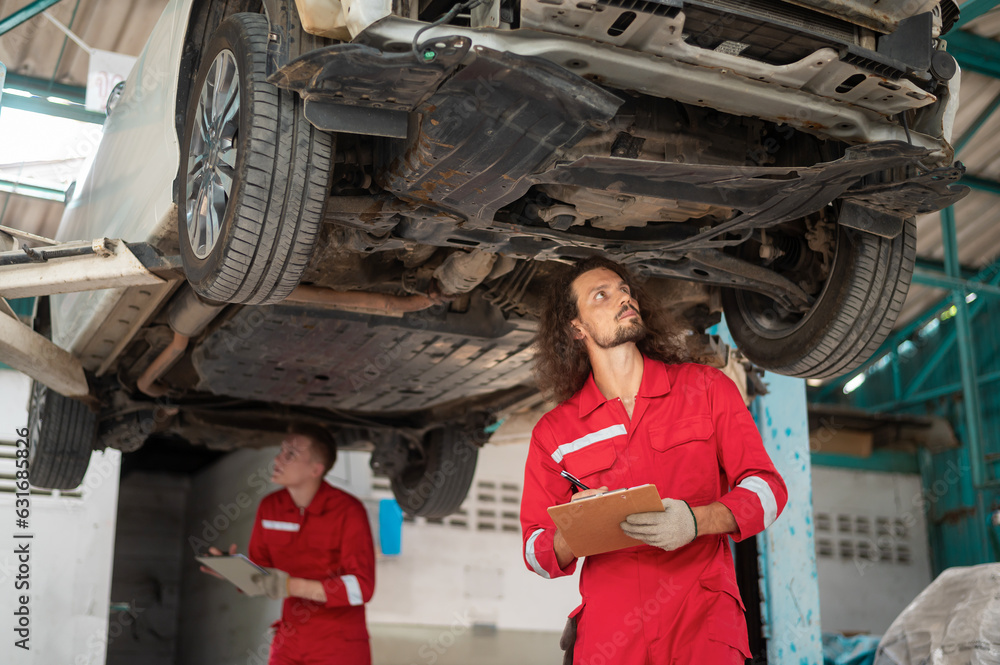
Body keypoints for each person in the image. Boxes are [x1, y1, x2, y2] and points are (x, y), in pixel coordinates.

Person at [520, 256, 788, 665]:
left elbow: (768, 490)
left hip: (702, 622)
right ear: (577, 328)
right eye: (601, 295)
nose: (623, 299)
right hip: (611, 636)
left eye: (624, 290)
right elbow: (533, 551)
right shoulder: (555, 434)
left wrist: (696, 521)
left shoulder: (706, 389)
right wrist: (572, 534)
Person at [200, 424, 376, 665]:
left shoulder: (348, 512)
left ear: (316, 469)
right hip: (290, 641)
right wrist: (235, 571)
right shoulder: (270, 507)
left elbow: (361, 587)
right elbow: (265, 574)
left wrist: (291, 586)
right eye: (281, 450)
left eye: (290, 454)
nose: (278, 458)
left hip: (339, 643)